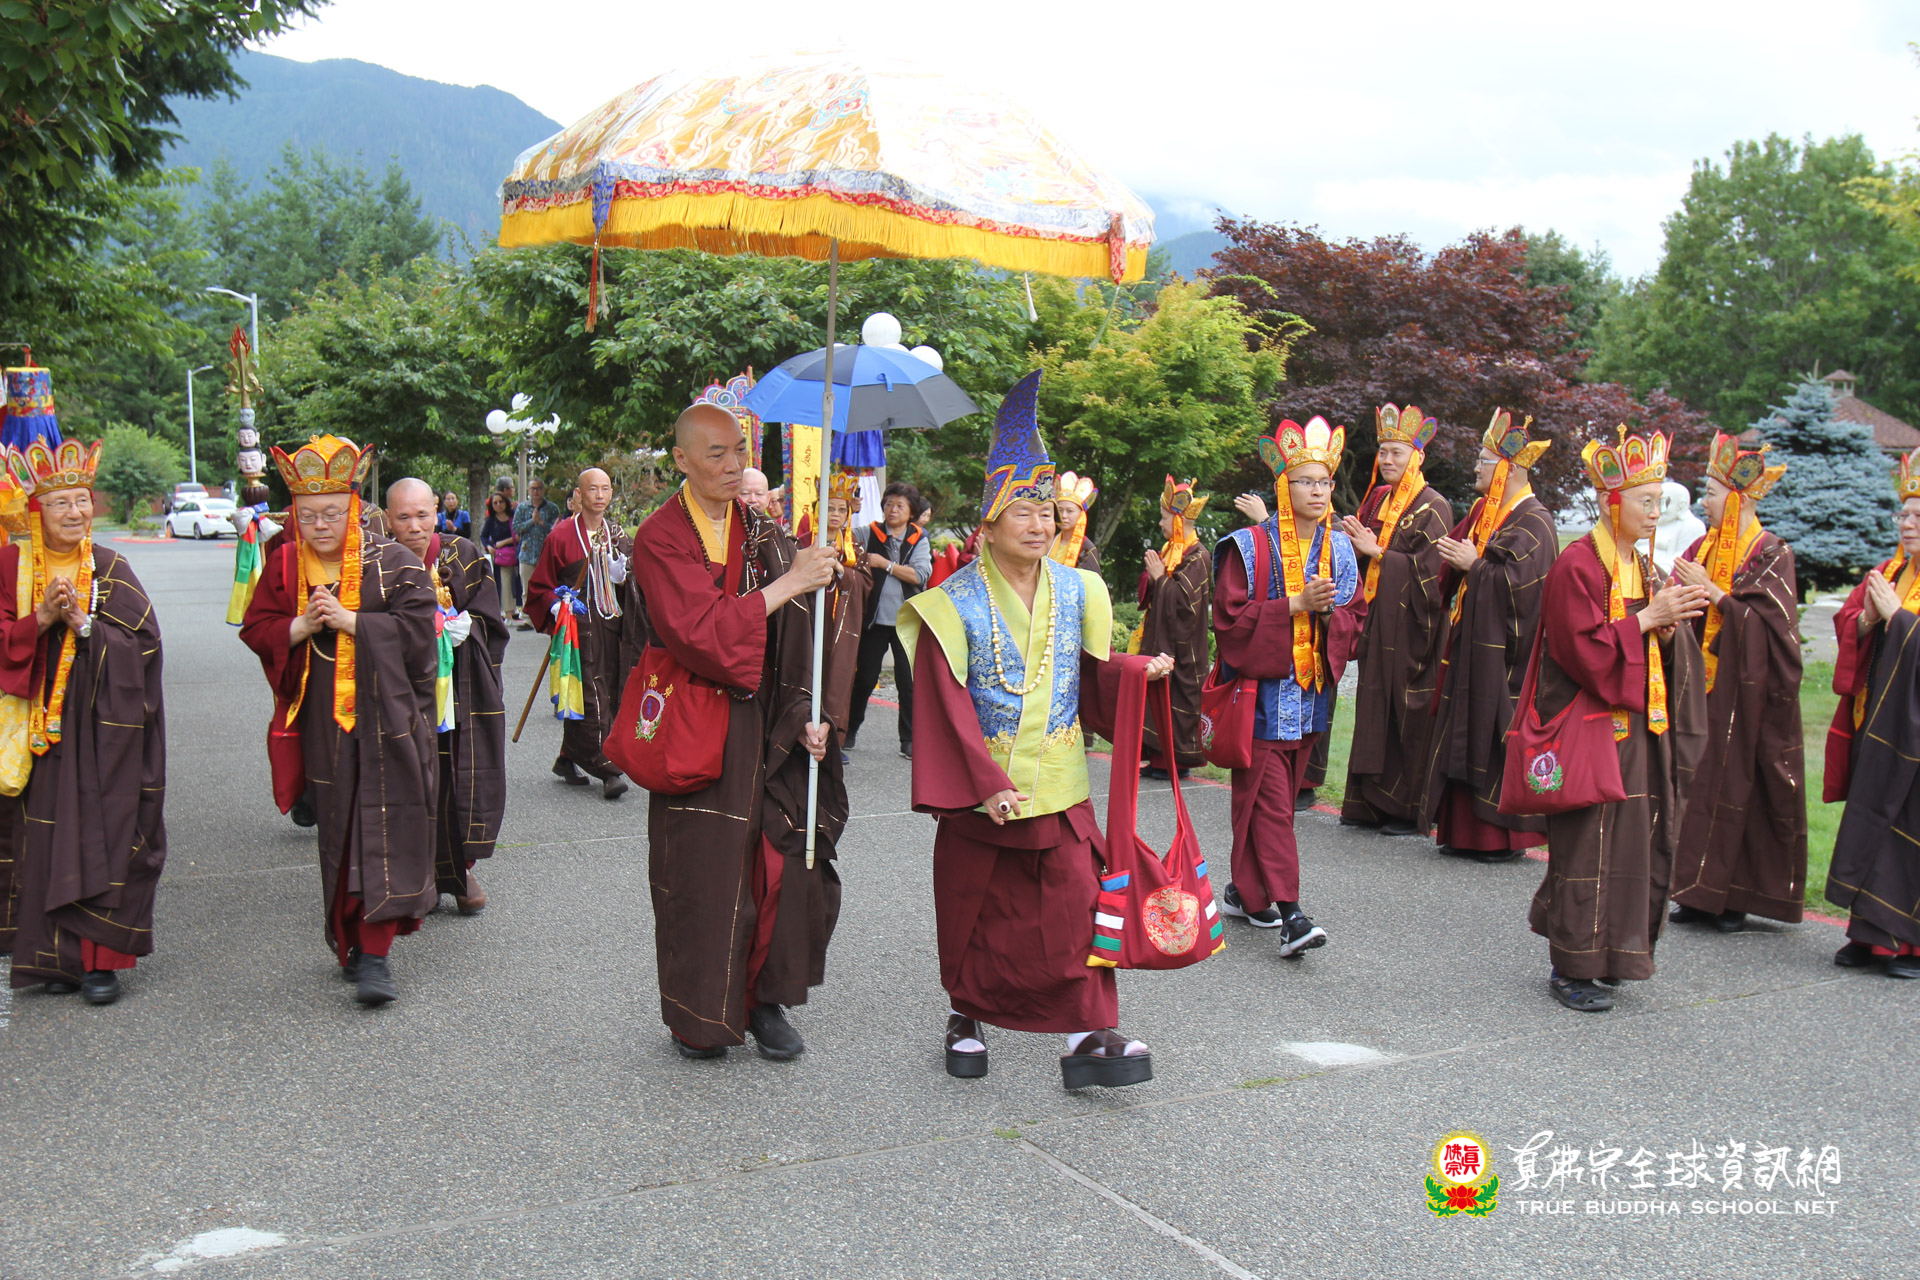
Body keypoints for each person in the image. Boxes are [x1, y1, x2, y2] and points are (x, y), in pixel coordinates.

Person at [899, 371, 1174, 1089]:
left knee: (1077, 906)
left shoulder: (1081, 589)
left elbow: (1090, 678)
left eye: (1046, 509)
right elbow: (943, 705)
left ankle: (1090, 1032)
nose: (1039, 523)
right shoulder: (950, 603)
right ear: (988, 523)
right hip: (982, 790)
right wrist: (982, 783)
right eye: (1022, 509)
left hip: (1060, 784)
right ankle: (966, 1014)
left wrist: (1134, 673)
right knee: (979, 911)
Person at [630, 402, 842, 1059]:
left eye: (739, 451)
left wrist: (809, 713)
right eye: (715, 453)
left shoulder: (760, 531)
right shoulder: (661, 536)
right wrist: (791, 582)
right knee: (704, 873)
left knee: (778, 864)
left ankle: (765, 1002)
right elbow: (699, 633)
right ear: (681, 459)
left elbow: (799, 631)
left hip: (767, 718)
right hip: (697, 720)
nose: (732, 465)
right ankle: (699, 1016)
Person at [239, 435, 440, 1006]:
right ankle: (350, 939)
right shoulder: (286, 565)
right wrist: (299, 627)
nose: (320, 526)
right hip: (324, 727)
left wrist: (354, 622)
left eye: (331, 513)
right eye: (307, 516)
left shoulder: (394, 562)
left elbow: (420, 638)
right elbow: (257, 627)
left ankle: (377, 953)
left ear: (354, 508)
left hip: (390, 718)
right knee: (341, 830)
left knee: (387, 825)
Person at [1523, 427, 1708, 1013]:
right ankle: (1573, 966)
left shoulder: (1644, 567)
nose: (1655, 512)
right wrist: (1646, 620)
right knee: (1587, 846)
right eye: (1645, 501)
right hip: (1591, 731)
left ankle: (1616, 955)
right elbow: (1578, 652)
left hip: (1638, 730)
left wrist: (1668, 632)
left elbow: (1656, 644)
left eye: (1659, 501)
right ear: (1611, 502)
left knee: (1633, 842)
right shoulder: (1578, 564)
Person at [0, 440, 166, 1004]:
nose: (74, 512)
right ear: (36, 511)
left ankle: (100, 963)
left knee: (109, 832)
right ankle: (52, 958)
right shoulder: (11, 567)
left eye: (81, 501)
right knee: (42, 837)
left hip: (104, 732)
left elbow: (145, 645)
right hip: (33, 727)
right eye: (59, 503)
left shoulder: (111, 567)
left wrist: (85, 625)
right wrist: (41, 618)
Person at [1213, 417, 1362, 956]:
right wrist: (1294, 605)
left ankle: (1245, 891)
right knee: (1274, 805)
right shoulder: (1248, 546)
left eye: (1324, 482)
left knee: (1264, 803)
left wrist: (1328, 616)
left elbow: (1355, 618)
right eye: (1306, 482)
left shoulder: (1339, 549)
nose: (1318, 492)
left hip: (1311, 701)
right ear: (1283, 484)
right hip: (1260, 702)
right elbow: (1229, 622)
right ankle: (1293, 915)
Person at [1667, 433, 1804, 934]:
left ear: (1739, 498)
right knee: (1698, 783)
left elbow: (1775, 632)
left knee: (1738, 784)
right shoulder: (1703, 544)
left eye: (1711, 492)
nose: (1704, 501)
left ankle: (1731, 897)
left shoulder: (1771, 552)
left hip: (1748, 693)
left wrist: (1716, 595)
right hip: (1701, 688)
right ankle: (1695, 890)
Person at [1419, 409, 1559, 862]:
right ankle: (1461, 833)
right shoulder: (1487, 512)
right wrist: (1461, 562)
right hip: (1471, 645)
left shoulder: (1535, 522)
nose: (1475, 468)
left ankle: (1498, 839)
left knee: (1492, 733)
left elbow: (1524, 592)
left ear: (1509, 470)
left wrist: (1475, 566)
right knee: (1461, 726)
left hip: (1505, 659)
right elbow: (1454, 556)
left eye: (1483, 461)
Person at [385, 479, 509, 916]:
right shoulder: (379, 563)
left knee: (459, 776)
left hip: (459, 690)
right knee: (410, 778)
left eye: (423, 515)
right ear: (388, 519)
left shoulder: (464, 554)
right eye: (403, 517)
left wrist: (465, 628)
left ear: (436, 510)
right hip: (403, 693)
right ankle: (417, 875)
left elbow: (491, 621)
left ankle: (460, 871)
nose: (415, 526)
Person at [1822, 445, 1920, 978]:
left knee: (1907, 833)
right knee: (1871, 824)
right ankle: (1869, 935)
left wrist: (1900, 619)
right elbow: (1849, 618)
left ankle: (1909, 944)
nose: (1907, 523)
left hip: (1914, 735)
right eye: (1903, 513)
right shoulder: (1889, 570)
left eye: (1918, 516)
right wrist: (1867, 621)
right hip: (1877, 723)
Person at [1338, 404, 1453, 834]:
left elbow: (1433, 574)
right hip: (1378, 622)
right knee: (1372, 706)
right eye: (1383, 452)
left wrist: (1380, 554)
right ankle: (1366, 804)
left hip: (1413, 632)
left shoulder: (1434, 507)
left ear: (1417, 457)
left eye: (1396, 453)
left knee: (1406, 712)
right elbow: (1361, 551)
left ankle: (1403, 808)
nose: (1387, 460)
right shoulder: (1379, 499)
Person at [525, 467, 638, 799]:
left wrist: (622, 576)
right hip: (578, 630)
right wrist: (558, 605)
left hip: (612, 626)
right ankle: (608, 768)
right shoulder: (561, 537)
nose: (600, 495)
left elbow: (636, 578)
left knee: (610, 691)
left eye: (606, 488)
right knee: (589, 692)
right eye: (592, 489)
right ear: (578, 494)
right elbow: (539, 587)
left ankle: (567, 756)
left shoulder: (617, 535)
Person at [846, 480, 931, 760]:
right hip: (874, 620)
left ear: (912, 512)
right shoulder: (868, 532)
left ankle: (909, 740)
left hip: (907, 621)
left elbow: (919, 575)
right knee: (864, 678)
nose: (892, 510)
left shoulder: (919, 538)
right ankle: (849, 730)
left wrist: (885, 564)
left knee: (908, 682)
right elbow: (841, 541)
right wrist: (847, 512)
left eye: (900, 505)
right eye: (889, 504)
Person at [1136, 476, 1212, 780]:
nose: (1160, 523)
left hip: (1185, 647)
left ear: (1178, 521)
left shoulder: (1198, 555)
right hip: (1161, 640)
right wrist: (1153, 577)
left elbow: (1185, 604)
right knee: (1157, 698)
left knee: (1179, 696)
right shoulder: (1171, 549)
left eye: (1165, 517)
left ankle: (1176, 762)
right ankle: (1158, 759)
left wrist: (1160, 579)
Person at [512, 478, 560, 629]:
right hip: (526, 553)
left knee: (547, 587)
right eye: (533, 488)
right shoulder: (522, 508)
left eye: (539, 488)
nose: (536, 491)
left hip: (545, 554)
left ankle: (547, 617)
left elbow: (556, 531)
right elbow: (516, 528)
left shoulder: (552, 508)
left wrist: (541, 522)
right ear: (528, 491)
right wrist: (532, 521)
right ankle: (528, 619)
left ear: (543, 490)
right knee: (527, 588)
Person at [479, 491, 521, 621]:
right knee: (505, 583)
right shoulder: (491, 521)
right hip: (501, 557)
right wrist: (488, 546)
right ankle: (508, 611)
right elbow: (483, 536)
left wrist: (504, 542)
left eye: (501, 502)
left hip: (517, 554)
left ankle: (519, 609)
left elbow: (519, 535)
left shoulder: (514, 516)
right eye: (495, 503)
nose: (498, 505)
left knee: (519, 582)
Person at [1049, 470, 1100, 572]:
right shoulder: (1049, 543)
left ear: (1080, 515)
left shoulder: (1087, 548)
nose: (1064, 516)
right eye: (1060, 510)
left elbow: (1090, 580)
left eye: (1070, 511)